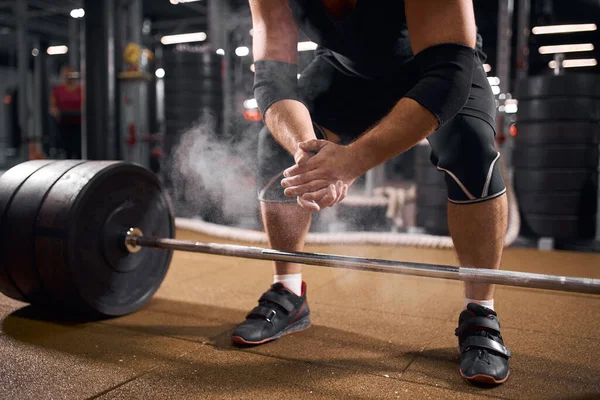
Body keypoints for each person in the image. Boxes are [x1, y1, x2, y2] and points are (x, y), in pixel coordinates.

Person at [233, 0, 511, 386]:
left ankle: (481, 311)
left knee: (471, 148)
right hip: (346, 70)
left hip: (434, 67)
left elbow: (448, 75)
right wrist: (307, 152)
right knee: (276, 145)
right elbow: (272, 77)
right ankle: (288, 290)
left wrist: (352, 161)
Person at [50, 65, 83, 159]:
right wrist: (56, 114)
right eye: (66, 75)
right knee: (66, 149)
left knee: (79, 148)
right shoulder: (57, 90)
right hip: (64, 123)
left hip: (79, 124)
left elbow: (85, 104)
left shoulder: (81, 89)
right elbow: (53, 106)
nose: (68, 77)